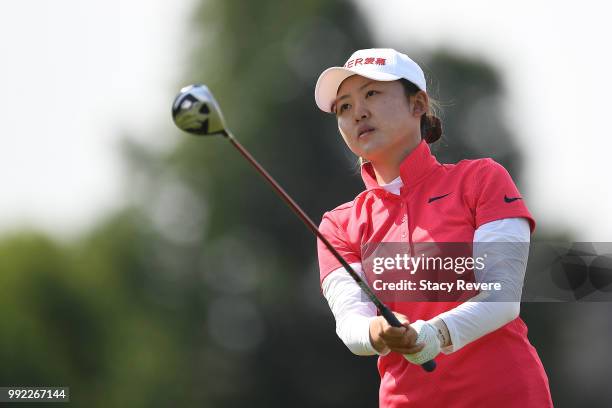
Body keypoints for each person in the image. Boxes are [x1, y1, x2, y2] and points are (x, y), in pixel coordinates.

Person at [314, 48, 553, 407]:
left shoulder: (482, 180)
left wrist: (435, 334)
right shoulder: (338, 225)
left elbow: (502, 297)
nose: (358, 112)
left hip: (507, 394)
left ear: (418, 104)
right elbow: (351, 323)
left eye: (372, 94)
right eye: (344, 107)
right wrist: (376, 331)